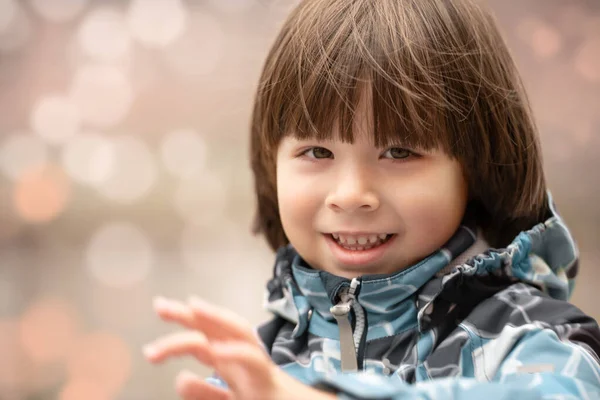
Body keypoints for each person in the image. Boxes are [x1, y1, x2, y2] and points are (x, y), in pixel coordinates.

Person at [143, 0, 600, 398]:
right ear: (271, 165)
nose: (351, 195)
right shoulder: (257, 371)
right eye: (317, 152)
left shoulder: (535, 338)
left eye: (399, 152)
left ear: (478, 165)